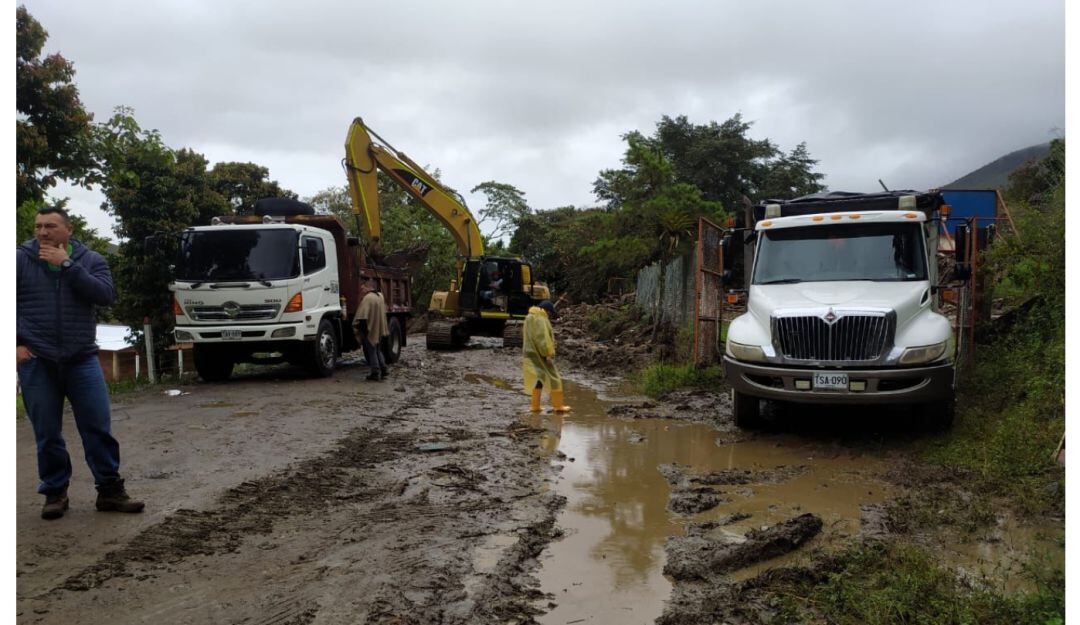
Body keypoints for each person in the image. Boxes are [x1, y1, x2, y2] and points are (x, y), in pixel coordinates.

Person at [16, 207, 145, 520]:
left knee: (97, 427)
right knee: (47, 432)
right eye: (38, 226)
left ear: (68, 229)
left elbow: (105, 295)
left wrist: (68, 265)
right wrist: (16, 344)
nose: (43, 232)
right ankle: (55, 493)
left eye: (50, 226)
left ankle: (110, 491)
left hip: (82, 357)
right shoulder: (18, 260)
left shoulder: (91, 260)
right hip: (37, 358)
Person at [522, 300, 570, 413]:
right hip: (540, 353)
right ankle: (558, 406)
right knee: (555, 377)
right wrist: (548, 353)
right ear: (547, 311)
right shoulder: (540, 318)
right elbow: (542, 338)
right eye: (550, 313)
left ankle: (535, 406)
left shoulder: (530, 316)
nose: (550, 316)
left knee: (540, 377)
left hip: (530, 352)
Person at [354, 278, 390, 381]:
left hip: (370, 330)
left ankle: (375, 372)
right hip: (379, 329)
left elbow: (362, 316)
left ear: (367, 287)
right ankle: (384, 369)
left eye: (362, 288)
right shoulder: (380, 296)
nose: (361, 290)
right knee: (378, 350)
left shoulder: (367, 299)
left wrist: (363, 331)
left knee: (372, 351)